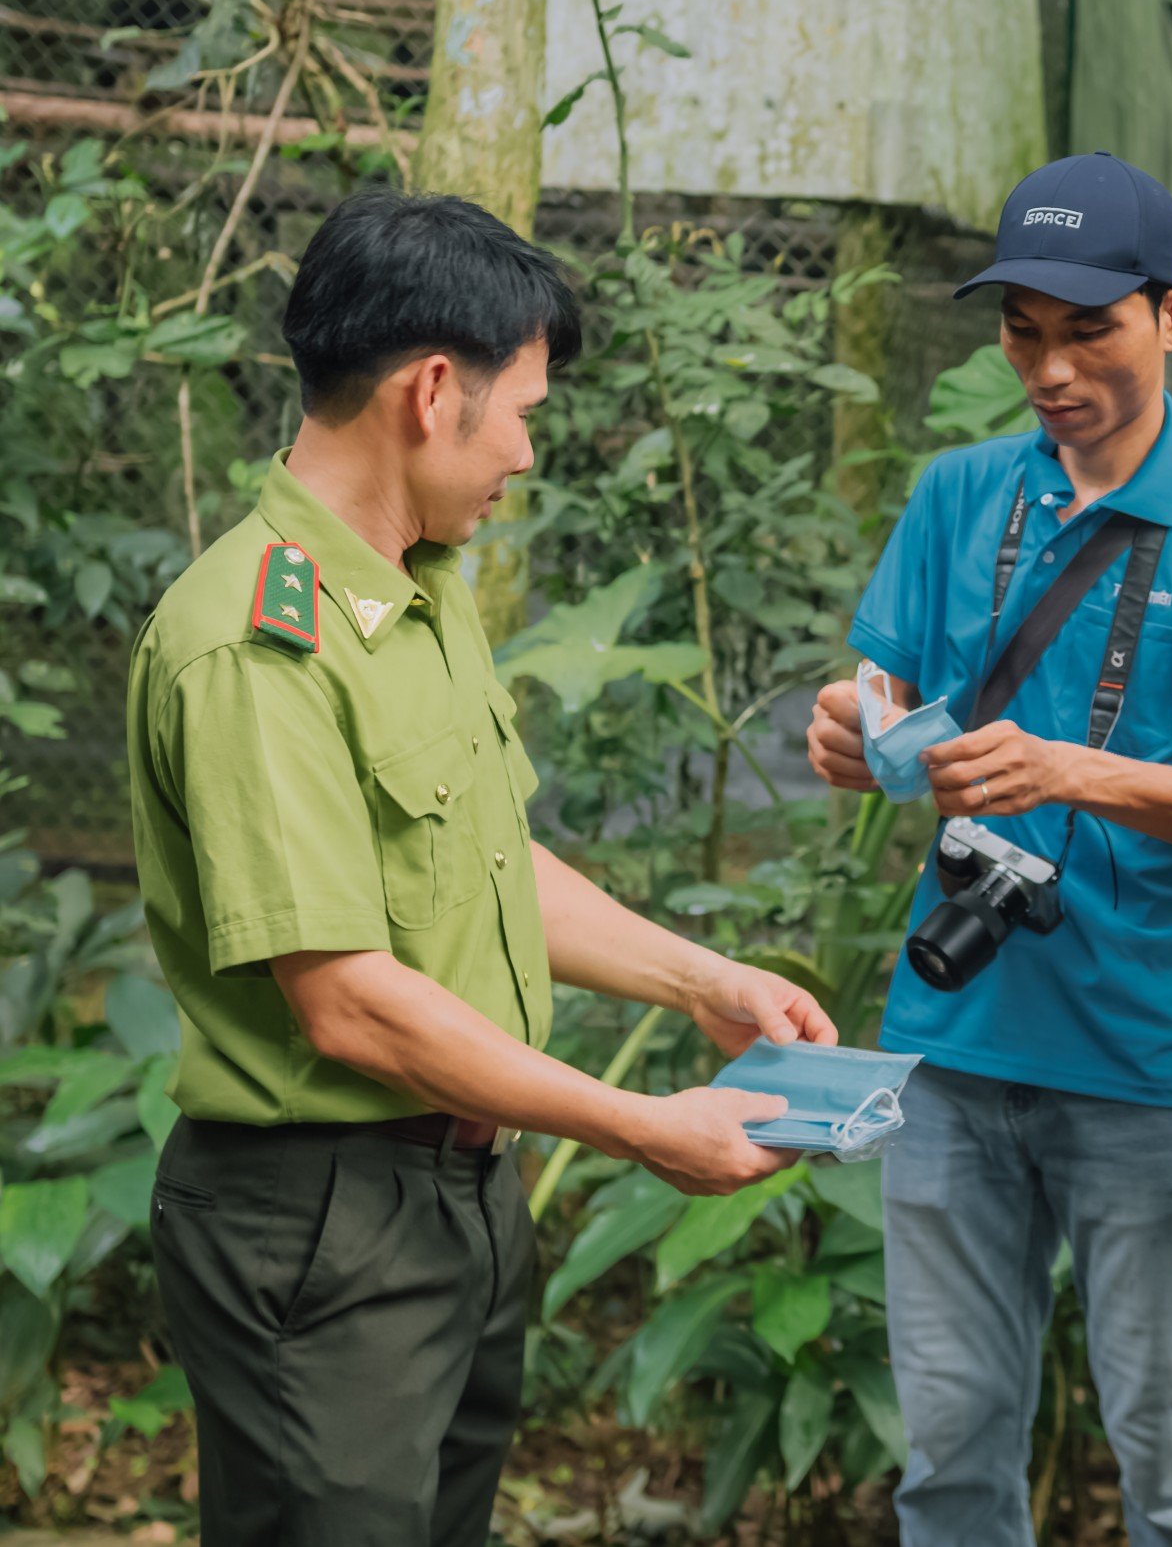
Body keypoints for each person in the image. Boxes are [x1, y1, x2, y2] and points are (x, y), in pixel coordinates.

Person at [127, 190, 833, 1547]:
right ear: (431, 391)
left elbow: (488, 856)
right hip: (321, 1221)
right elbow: (345, 999)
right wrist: (638, 1126)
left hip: (458, 1199)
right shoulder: (256, 642)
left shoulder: (414, 590)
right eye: (523, 413)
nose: (527, 451)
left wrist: (702, 980)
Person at [803, 151, 1172, 1547]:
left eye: (1087, 327)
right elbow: (881, 688)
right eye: (1022, 330)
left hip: (1144, 1060)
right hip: (951, 1044)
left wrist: (1071, 772)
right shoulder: (956, 494)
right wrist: (856, 731)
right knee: (952, 1451)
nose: (1050, 367)